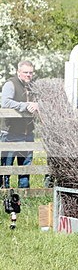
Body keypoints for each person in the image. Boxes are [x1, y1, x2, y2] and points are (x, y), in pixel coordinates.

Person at [1, 60, 38, 189]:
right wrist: (25, 106)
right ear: (18, 72)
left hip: (28, 133)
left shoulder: (32, 86)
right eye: (25, 72)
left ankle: (24, 195)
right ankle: (4, 194)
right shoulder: (10, 84)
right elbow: (5, 102)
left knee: (25, 168)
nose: (28, 75)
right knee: (6, 168)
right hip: (11, 133)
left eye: (31, 73)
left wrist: (37, 105)